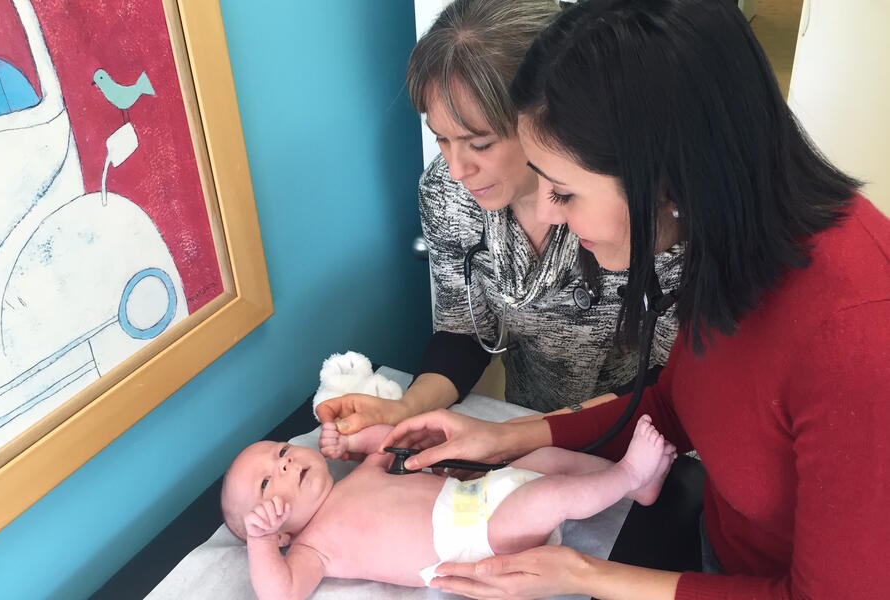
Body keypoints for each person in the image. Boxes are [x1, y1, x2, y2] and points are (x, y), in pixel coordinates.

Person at [380, 0, 890, 598]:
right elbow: (675, 404)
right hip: (709, 545)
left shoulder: (857, 341)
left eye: (564, 192)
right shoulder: (727, 236)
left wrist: (585, 574)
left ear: (664, 179)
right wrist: (509, 436)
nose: (546, 213)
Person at [316, 0, 683, 436]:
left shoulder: (645, 208)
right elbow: (463, 331)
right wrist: (406, 408)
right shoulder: (447, 193)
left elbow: (672, 379)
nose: (457, 169)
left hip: (644, 430)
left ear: (544, 117)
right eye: (442, 140)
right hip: (528, 417)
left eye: (480, 144)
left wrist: (518, 439)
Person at [220, 416, 676, 598]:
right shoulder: (312, 548)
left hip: (480, 492)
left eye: (282, 451)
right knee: (549, 496)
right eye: (266, 482)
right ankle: (628, 475)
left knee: (548, 463)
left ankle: (641, 489)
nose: (285, 464)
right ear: (280, 533)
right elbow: (281, 593)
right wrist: (261, 541)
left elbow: (391, 440)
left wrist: (354, 442)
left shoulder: (359, 477)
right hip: (476, 541)